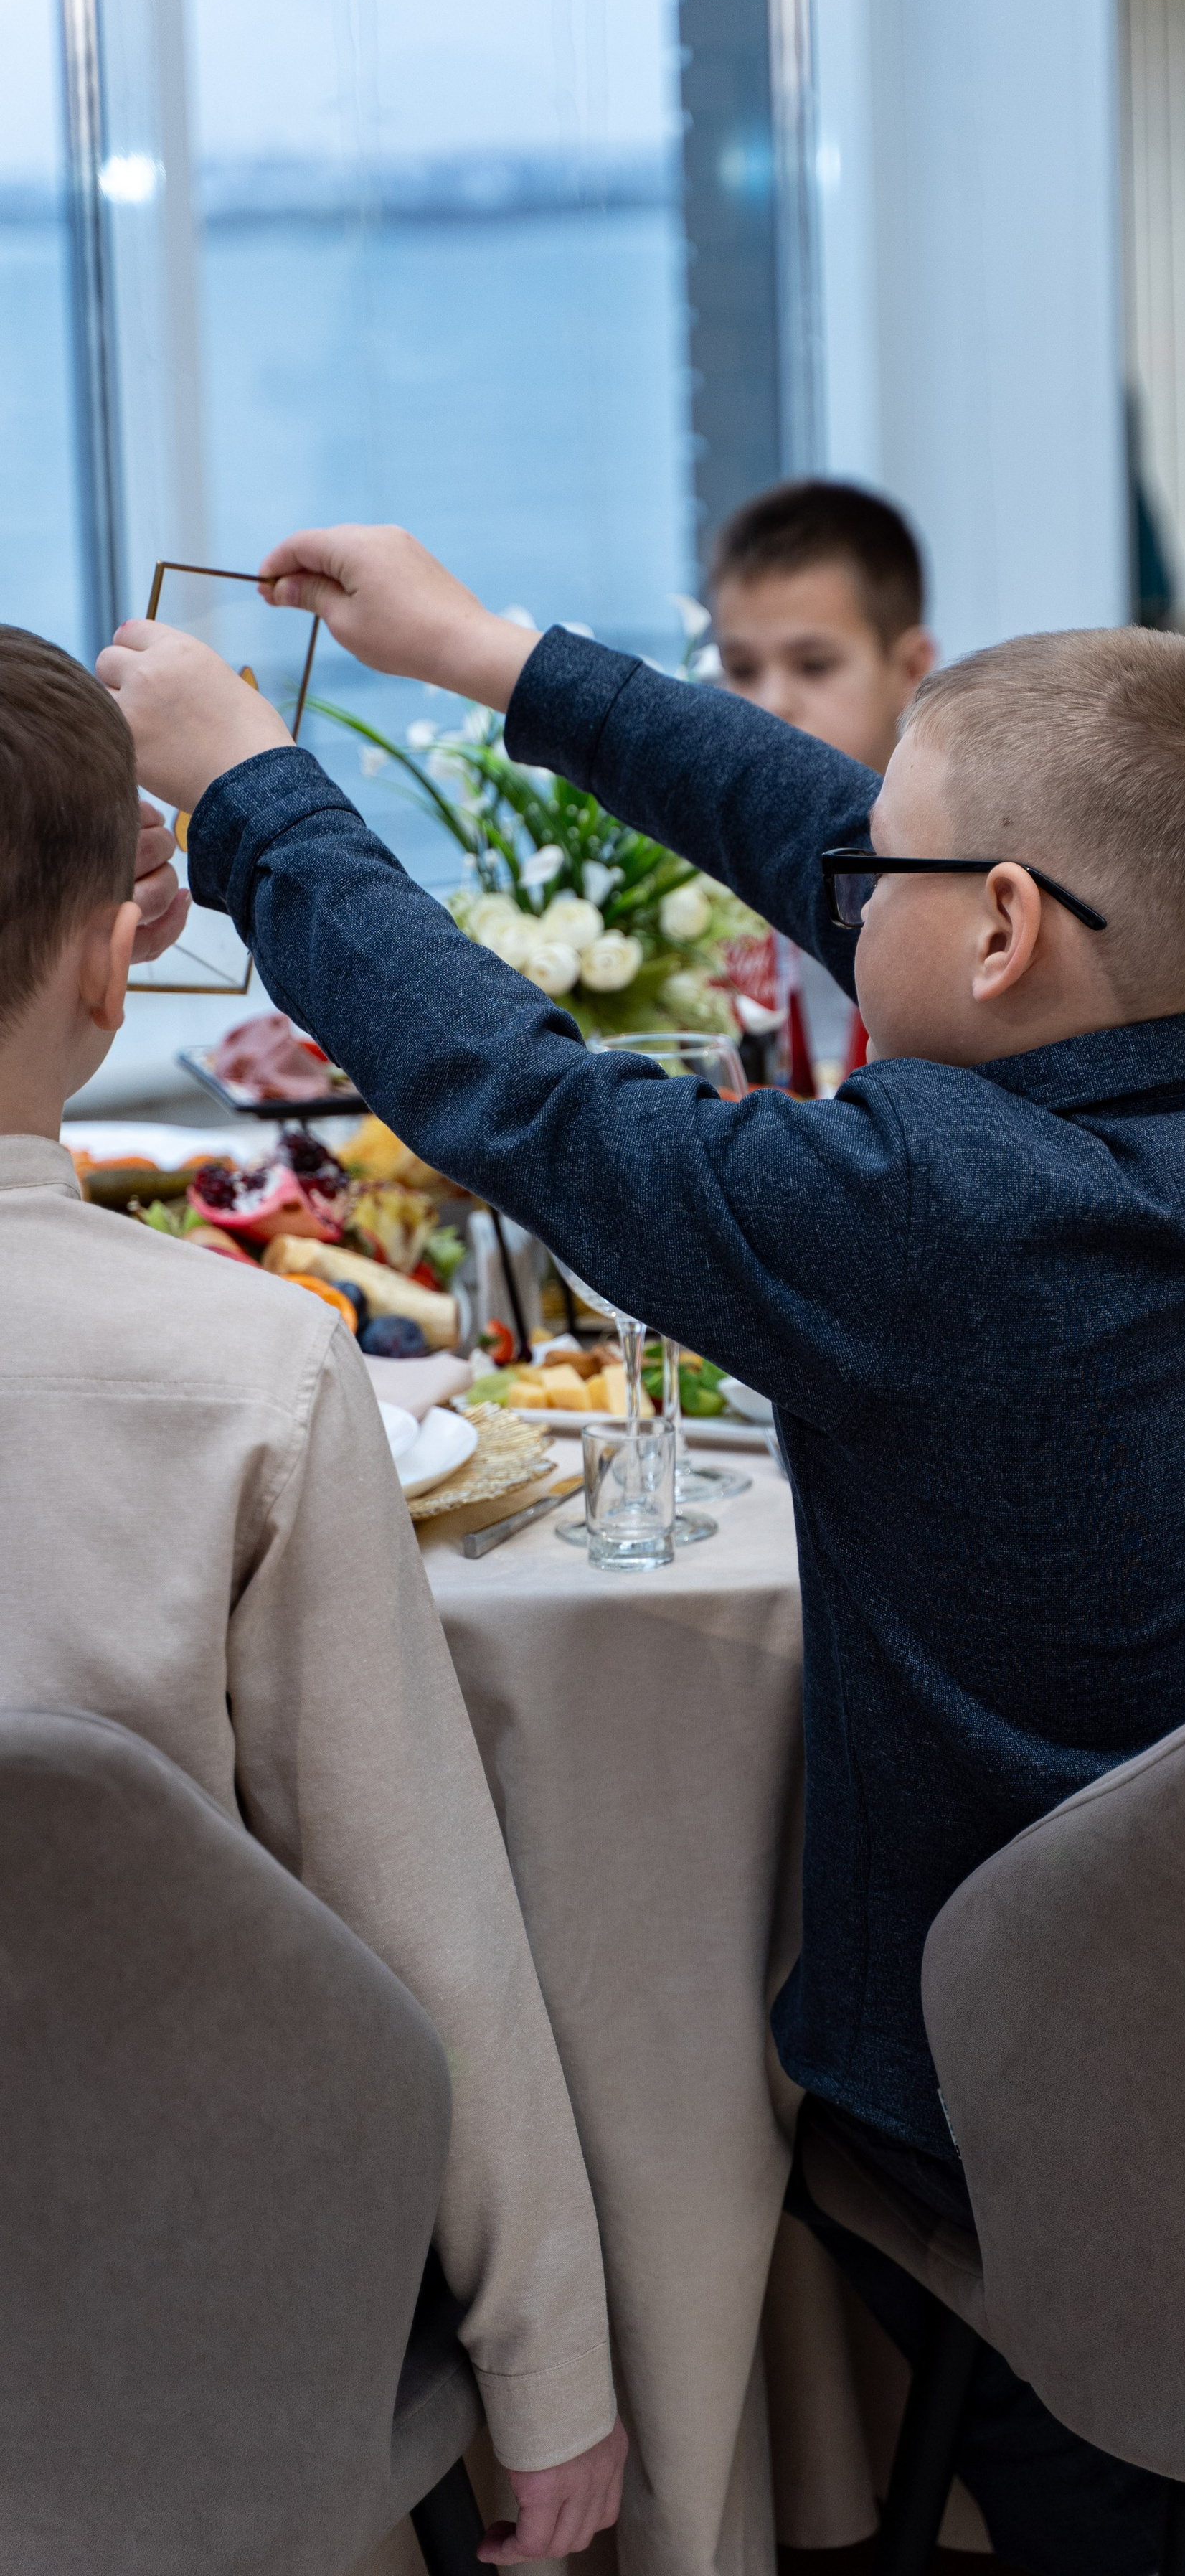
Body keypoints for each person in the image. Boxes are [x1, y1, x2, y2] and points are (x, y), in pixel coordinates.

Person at [105, 528, 1185, 2576]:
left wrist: (252, 803)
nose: (837, 888)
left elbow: (525, 1105)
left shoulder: (925, 1208)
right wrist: (485, 655)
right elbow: (825, 820)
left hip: (1040, 2066)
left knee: (1077, 2434)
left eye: (887, 877)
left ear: (1003, 931)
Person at [0, 627, 626, 2569]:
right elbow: (416, 1913)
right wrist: (552, 2372)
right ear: (122, 959)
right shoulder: (251, 1371)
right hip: (153, 2310)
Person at [706, 478, 937, 1089]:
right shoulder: (692, 875)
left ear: (911, 668)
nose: (770, 703)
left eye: (814, 665)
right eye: (740, 669)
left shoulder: (958, 877)